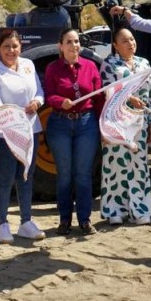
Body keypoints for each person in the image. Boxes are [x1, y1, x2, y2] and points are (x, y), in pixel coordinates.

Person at [0, 28, 47, 243]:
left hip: (30, 129)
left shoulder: (29, 65)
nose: (11, 50)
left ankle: (26, 222)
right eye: (6, 46)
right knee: (5, 179)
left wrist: (37, 102)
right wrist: (13, 114)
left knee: (26, 176)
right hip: (4, 134)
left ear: (21, 47)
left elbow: (39, 91)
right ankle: (2, 224)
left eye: (15, 46)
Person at [44, 28, 103, 236]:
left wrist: (103, 126)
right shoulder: (52, 69)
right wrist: (61, 102)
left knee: (83, 175)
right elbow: (48, 95)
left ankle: (85, 220)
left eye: (76, 41)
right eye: (69, 42)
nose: (74, 45)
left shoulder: (90, 67)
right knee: (65, 175)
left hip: (86, 124)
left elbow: (98, 99)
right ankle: (65, 220)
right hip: (60, 124)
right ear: (60, 46)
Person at [99, 27, 151, 225]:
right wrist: (128, 97)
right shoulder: (109, 64)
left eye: (132, 39)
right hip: (117, 121)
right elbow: (107, 91)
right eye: (124, 41)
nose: (130, 43)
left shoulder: (144, 63)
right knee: (116, 165)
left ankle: (139, 210)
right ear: (115, 45)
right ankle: (115, 210)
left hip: (139, 122)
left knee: (138, 165)